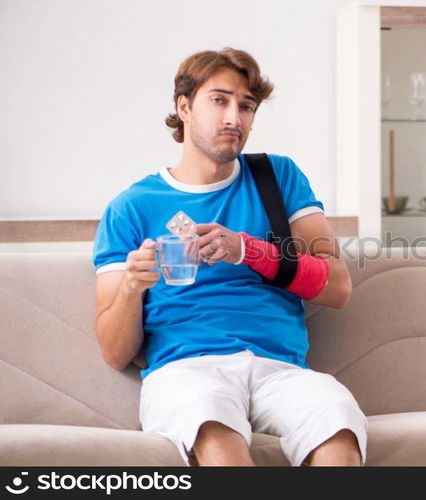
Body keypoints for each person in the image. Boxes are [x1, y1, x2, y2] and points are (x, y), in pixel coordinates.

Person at [92, 48, 367, 467]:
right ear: (184, 107)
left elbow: (337, 287)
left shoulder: (278, 178)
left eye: (246, 106)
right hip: (187, 370)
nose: (233, 119)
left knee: (338, 426)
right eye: (219, 100)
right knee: (214, 428)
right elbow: (114, 352)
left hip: (282, 371)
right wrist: (132, 286)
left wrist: (247, 250)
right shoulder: (131, 207)